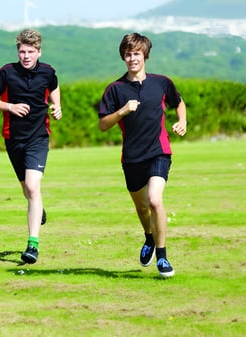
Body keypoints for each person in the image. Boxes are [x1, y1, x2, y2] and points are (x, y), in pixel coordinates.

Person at [98, 33, 187, 277]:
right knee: (142, 207)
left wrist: (182, 121)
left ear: (144, 55)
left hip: (159, 152)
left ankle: (162, 257)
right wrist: (123, 111)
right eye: (128, 54)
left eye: (136, 53)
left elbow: (178, 103)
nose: (132, 58)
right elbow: (103, 124)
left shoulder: (161, 83)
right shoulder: (115, 89)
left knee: (155, 200)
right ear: (123, 57)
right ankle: (148, 237)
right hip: (131, 157)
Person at [0, 29, 62, 265]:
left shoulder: (48, 72)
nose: (26, 56)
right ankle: (39, 209)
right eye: (22, 51)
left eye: (30, 52)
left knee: (32, 186)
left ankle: (32, 245)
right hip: (13, 138)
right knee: (27, 190)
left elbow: (54, 87)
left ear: (39, 52)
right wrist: (9, 107)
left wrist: (57, 106)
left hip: (38, 137)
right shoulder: (6, 72)